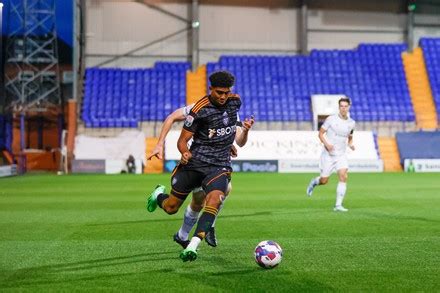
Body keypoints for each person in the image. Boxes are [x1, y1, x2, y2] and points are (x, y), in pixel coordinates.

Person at [147, 70, 244, 262]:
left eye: (226, 92)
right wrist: (166, 146)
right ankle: (159, 195)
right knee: (171, 208)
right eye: (219, 93)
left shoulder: (234, 103)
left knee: (216, 198)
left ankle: (192, 244)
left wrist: (229, 142)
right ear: (211, 89)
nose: (223, 97)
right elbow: (176, 127)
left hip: (219, 165)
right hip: (195, 163)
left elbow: (230, 130)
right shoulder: (197, 108)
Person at [306, 97, 356, 212]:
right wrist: (327, 144)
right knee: (324, 181)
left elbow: (350, 136)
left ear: (349, 107)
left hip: (341, 155)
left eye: (345, 106)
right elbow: (320, 134)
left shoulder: (352, 123)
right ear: (339, 107)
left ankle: (338, 205)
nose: (343, 108)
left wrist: (351, 144)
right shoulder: (331, 119)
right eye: (341, 106)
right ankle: (314, 182)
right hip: (328, 155)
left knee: (343, 176)